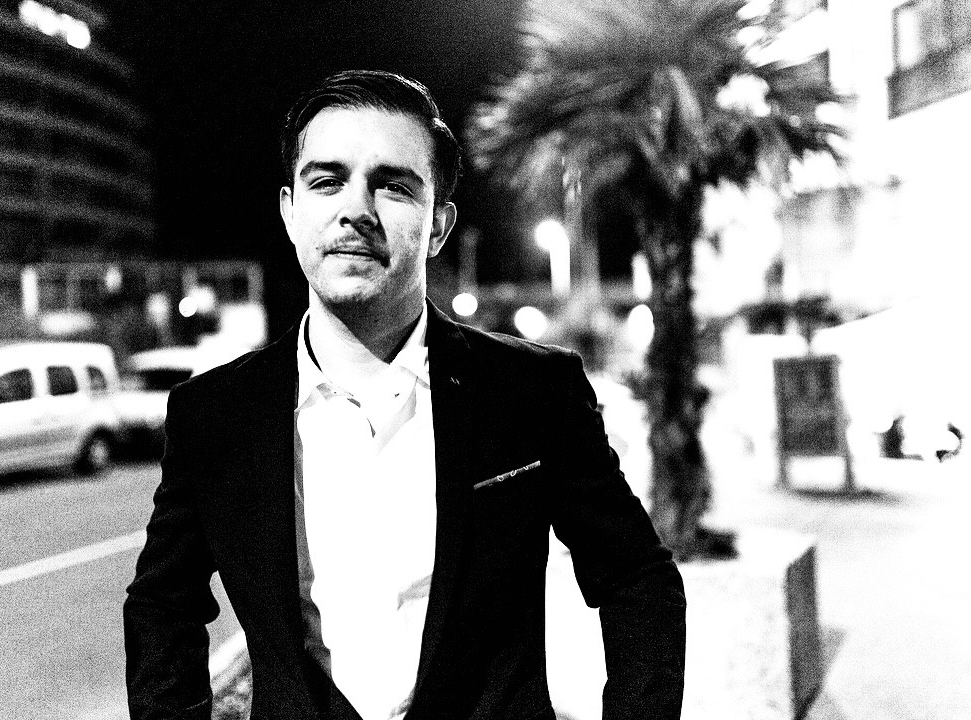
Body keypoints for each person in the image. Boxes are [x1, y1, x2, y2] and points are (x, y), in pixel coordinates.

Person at [124, 69, 686, 720]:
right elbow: (162, 604)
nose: (355, 210)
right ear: (290, 211)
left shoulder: (531, 392)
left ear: (439, 224)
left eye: (392, 185)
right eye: (327, 181)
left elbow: (637, 578)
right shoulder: (215, 414)